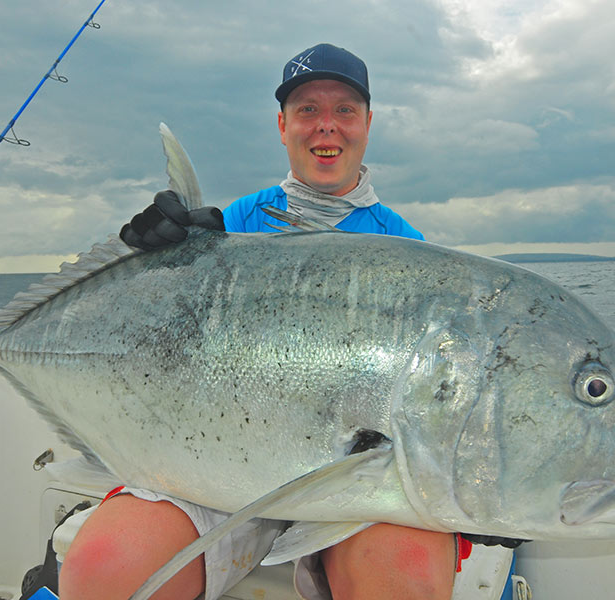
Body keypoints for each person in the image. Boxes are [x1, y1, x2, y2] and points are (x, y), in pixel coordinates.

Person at [59, 43, 464, 600]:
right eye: (307, 110)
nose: (327, 126)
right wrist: (148, 261)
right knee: (104, 569)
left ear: (368, 123)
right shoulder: (228, 227)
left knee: (404, 580)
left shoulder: (406, 251)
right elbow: (162, 339)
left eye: (345, 110)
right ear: (282, 125)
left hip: (350, 480)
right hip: (216, 459)